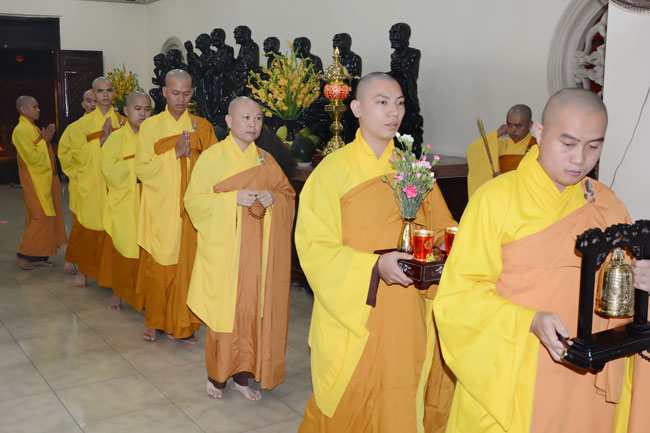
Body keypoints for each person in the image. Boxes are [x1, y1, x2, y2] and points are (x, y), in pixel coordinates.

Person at [433, 88, 634, 433]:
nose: (579, 159)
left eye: (593, 147)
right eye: (567, 143)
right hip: (514, 371)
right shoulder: (495, 199)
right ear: (539, 133)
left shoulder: (607, 205)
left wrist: (641, 284)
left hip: (587, 379)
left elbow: (624, 295)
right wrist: (528, 320)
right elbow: (459, 297)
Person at [296, 72, 456, 433]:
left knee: (401, 392)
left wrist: (448, 252)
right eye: (382, 102)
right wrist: (374, 266)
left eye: (399, 103)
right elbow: (314, 248)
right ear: (356, 109)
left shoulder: (413, 170)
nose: (393, 112)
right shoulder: (331, 172)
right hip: (355, 308)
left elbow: (442, 229)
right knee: (349, 396)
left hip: (407, 306)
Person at [184, 96, 295, 401]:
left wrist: (274, 199)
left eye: (258, 118)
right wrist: (231, 199)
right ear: (229, 121)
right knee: (226, 314)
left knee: (252, 311)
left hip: (259, 253)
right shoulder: (212, 158)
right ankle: (218, 376)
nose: (252, 124)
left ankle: (242, 377)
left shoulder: (266, 160)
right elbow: (193, 201)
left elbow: (287, 194)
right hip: (227, 253)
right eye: (245, 118)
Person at [135, 69, 217, 343]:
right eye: (175, 93)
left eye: (186, 93)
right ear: (164, 92)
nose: (181, 99)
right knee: (160, 266)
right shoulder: (151, 127)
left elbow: (215, 167)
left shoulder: (202, 127)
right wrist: (175, 154)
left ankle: (183, 325)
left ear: (192, 93)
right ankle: (155, 321)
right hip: (161, 208)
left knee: (189, 267)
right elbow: (141, 169)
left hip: (193, 209)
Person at [66, 77, 125, 288]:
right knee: (88, 229)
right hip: (92, 182)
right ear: (94, 94)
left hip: (116, 183)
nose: (105, 94)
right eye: (100, 91)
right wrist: (100, 142)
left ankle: (111, 277)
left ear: (114, 94)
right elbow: (76, 155)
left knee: (116, 230)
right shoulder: (80, 126)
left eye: (109, 90)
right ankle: (83, 271)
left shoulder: (123, 121)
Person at [101, 91, 152, 312]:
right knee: (124, 247)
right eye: (137, 109)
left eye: (147, 109)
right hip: (125, 200)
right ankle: (119, 292)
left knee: (149, 251)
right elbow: (109, 170)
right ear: (126, 111)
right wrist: (137, 166)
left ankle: (147, 298)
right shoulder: (116, 139)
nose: (142, 114)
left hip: (151, 200)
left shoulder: (154, 136)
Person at [12, 96, 66, 269]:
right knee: (40, 217)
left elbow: (40, 149)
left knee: (46, 217)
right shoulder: (20, 130)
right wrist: (45, 141)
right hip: (33, 181)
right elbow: (32, 157)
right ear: (23, 110)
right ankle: (24, 255)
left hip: (44, 179)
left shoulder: (33, 128)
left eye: (38, 106)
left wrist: (44, 141)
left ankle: (38, 257)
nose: (38, 110)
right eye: (34, 107)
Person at [58, 89, 96, 274]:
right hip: (81, 183)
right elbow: (64, 155)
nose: (92, 104)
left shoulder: (111, 124)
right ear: (82, 104)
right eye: (88, 100)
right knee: (80, 224)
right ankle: (71, 257)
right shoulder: (74, 128)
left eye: (95, 100)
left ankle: (96, 263)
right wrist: (79, 174)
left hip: (104, 183)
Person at [466, 104, 536, 197]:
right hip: (499, 197)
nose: (513, 130)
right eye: (509, 125)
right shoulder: (498, 145)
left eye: (518, 126)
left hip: (522, 198)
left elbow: (536, 181)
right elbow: (473, 151)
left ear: (530, 124)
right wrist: (495, 135)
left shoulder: (536, 147)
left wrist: (505, 179)